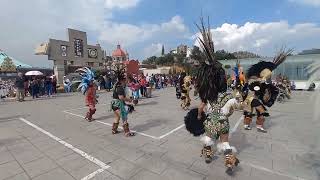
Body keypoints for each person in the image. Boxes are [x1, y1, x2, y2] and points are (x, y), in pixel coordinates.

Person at [184, 19, 240, 174]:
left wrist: (200, 115)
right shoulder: (229, 96)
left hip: (210, 122)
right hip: (223, 123)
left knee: (208, 139)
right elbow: (233, 109)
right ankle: (229, 163)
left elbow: (201, 108)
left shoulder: (208, 96)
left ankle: (208, 156)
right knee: (225, 142)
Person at [242, 49, 291, 132]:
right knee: (252, 113)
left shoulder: (262, 81)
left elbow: (265, 89)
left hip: (257, 99)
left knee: (261, 114)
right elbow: (252, 88)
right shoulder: (252, 80)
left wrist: (268, 88)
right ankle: (247, 124)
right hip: (250, 99)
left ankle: (259, 126)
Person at [111, 65, 135, 137]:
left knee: (117, 117)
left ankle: (114, 130)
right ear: (122, 80)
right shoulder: (120, 87)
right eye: (126, 80)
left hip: (114, 104)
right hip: (118, 104)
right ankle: (127, 132)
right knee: (124, 117)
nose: (126, 81)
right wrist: (129, 100)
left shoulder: (116, 85)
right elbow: (121, 97)